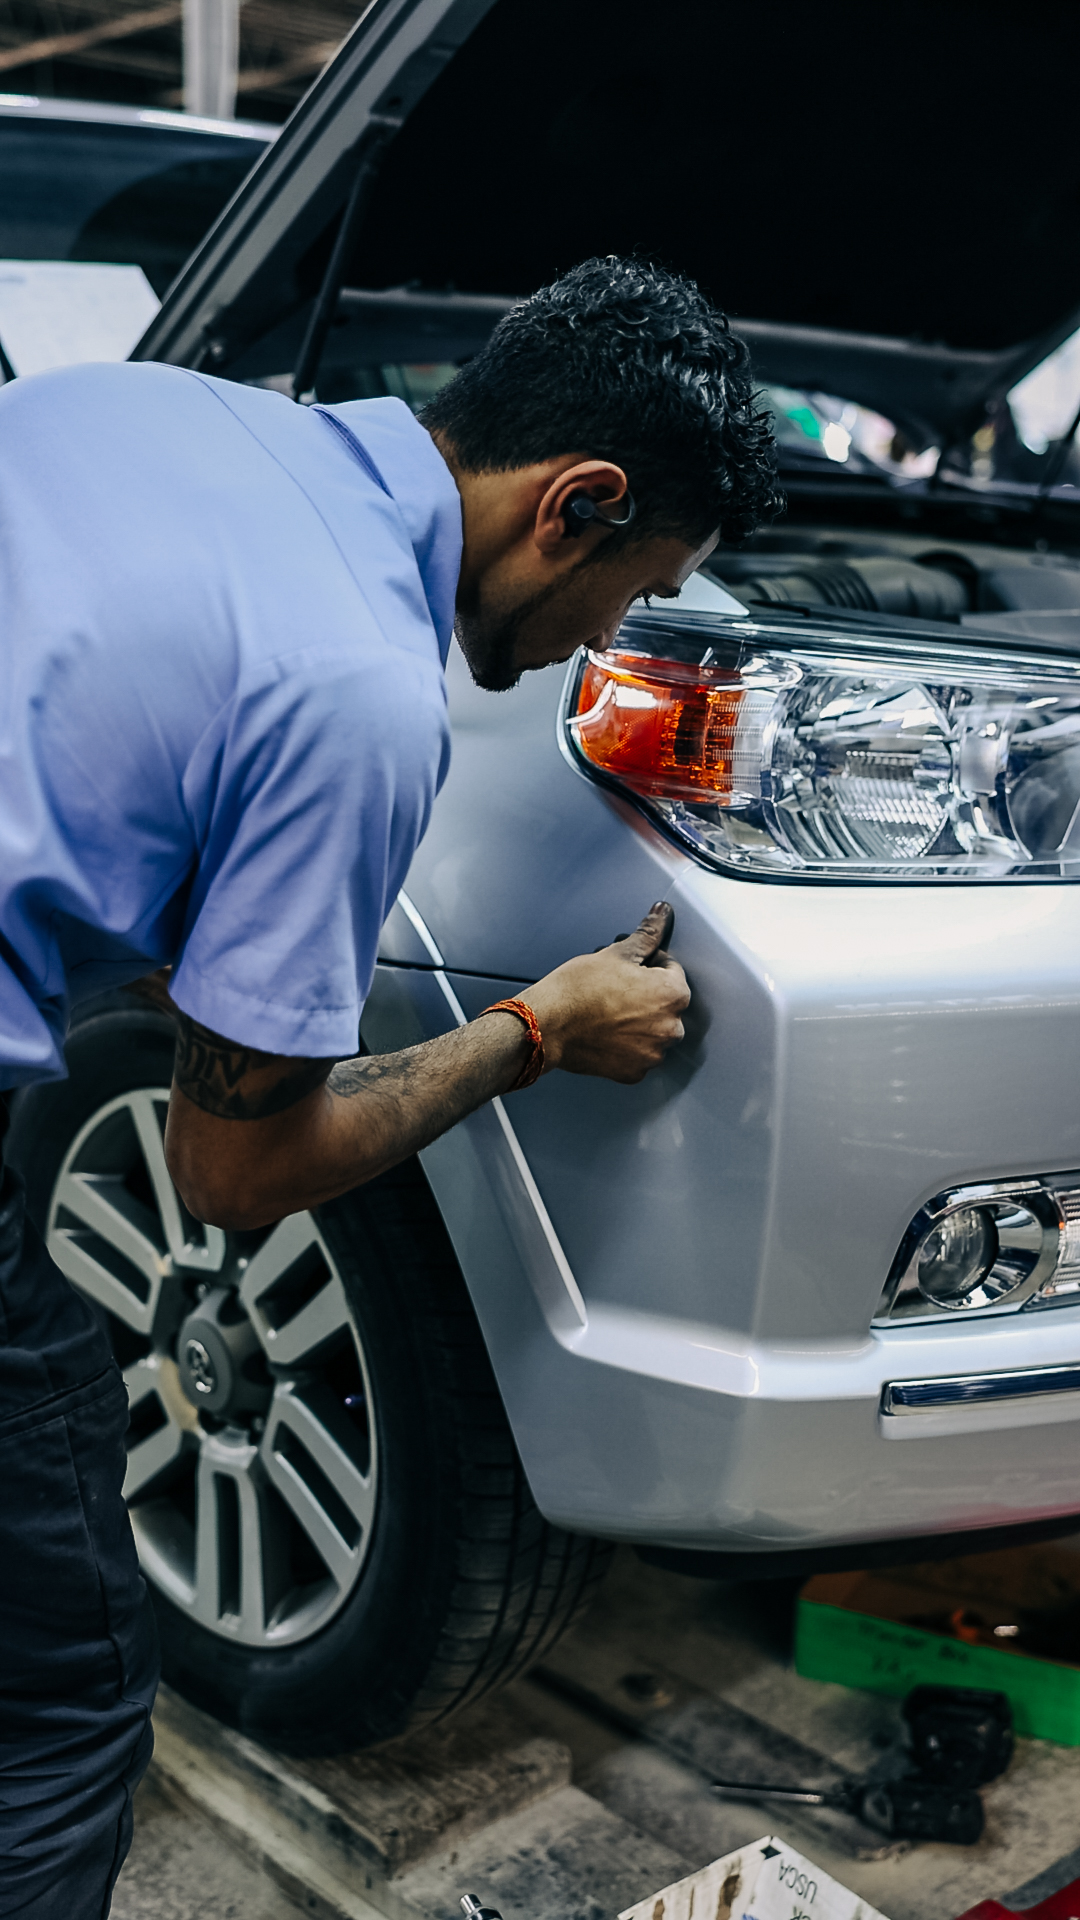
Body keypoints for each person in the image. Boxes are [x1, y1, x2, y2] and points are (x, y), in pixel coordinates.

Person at [0, 255, 779, 1916]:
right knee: (59, 1705)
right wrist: (539, 1032)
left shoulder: (132, 411)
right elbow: (229, 1174)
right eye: (634, 591)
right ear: (576, 502)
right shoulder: (361, 693)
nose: (608, 638)